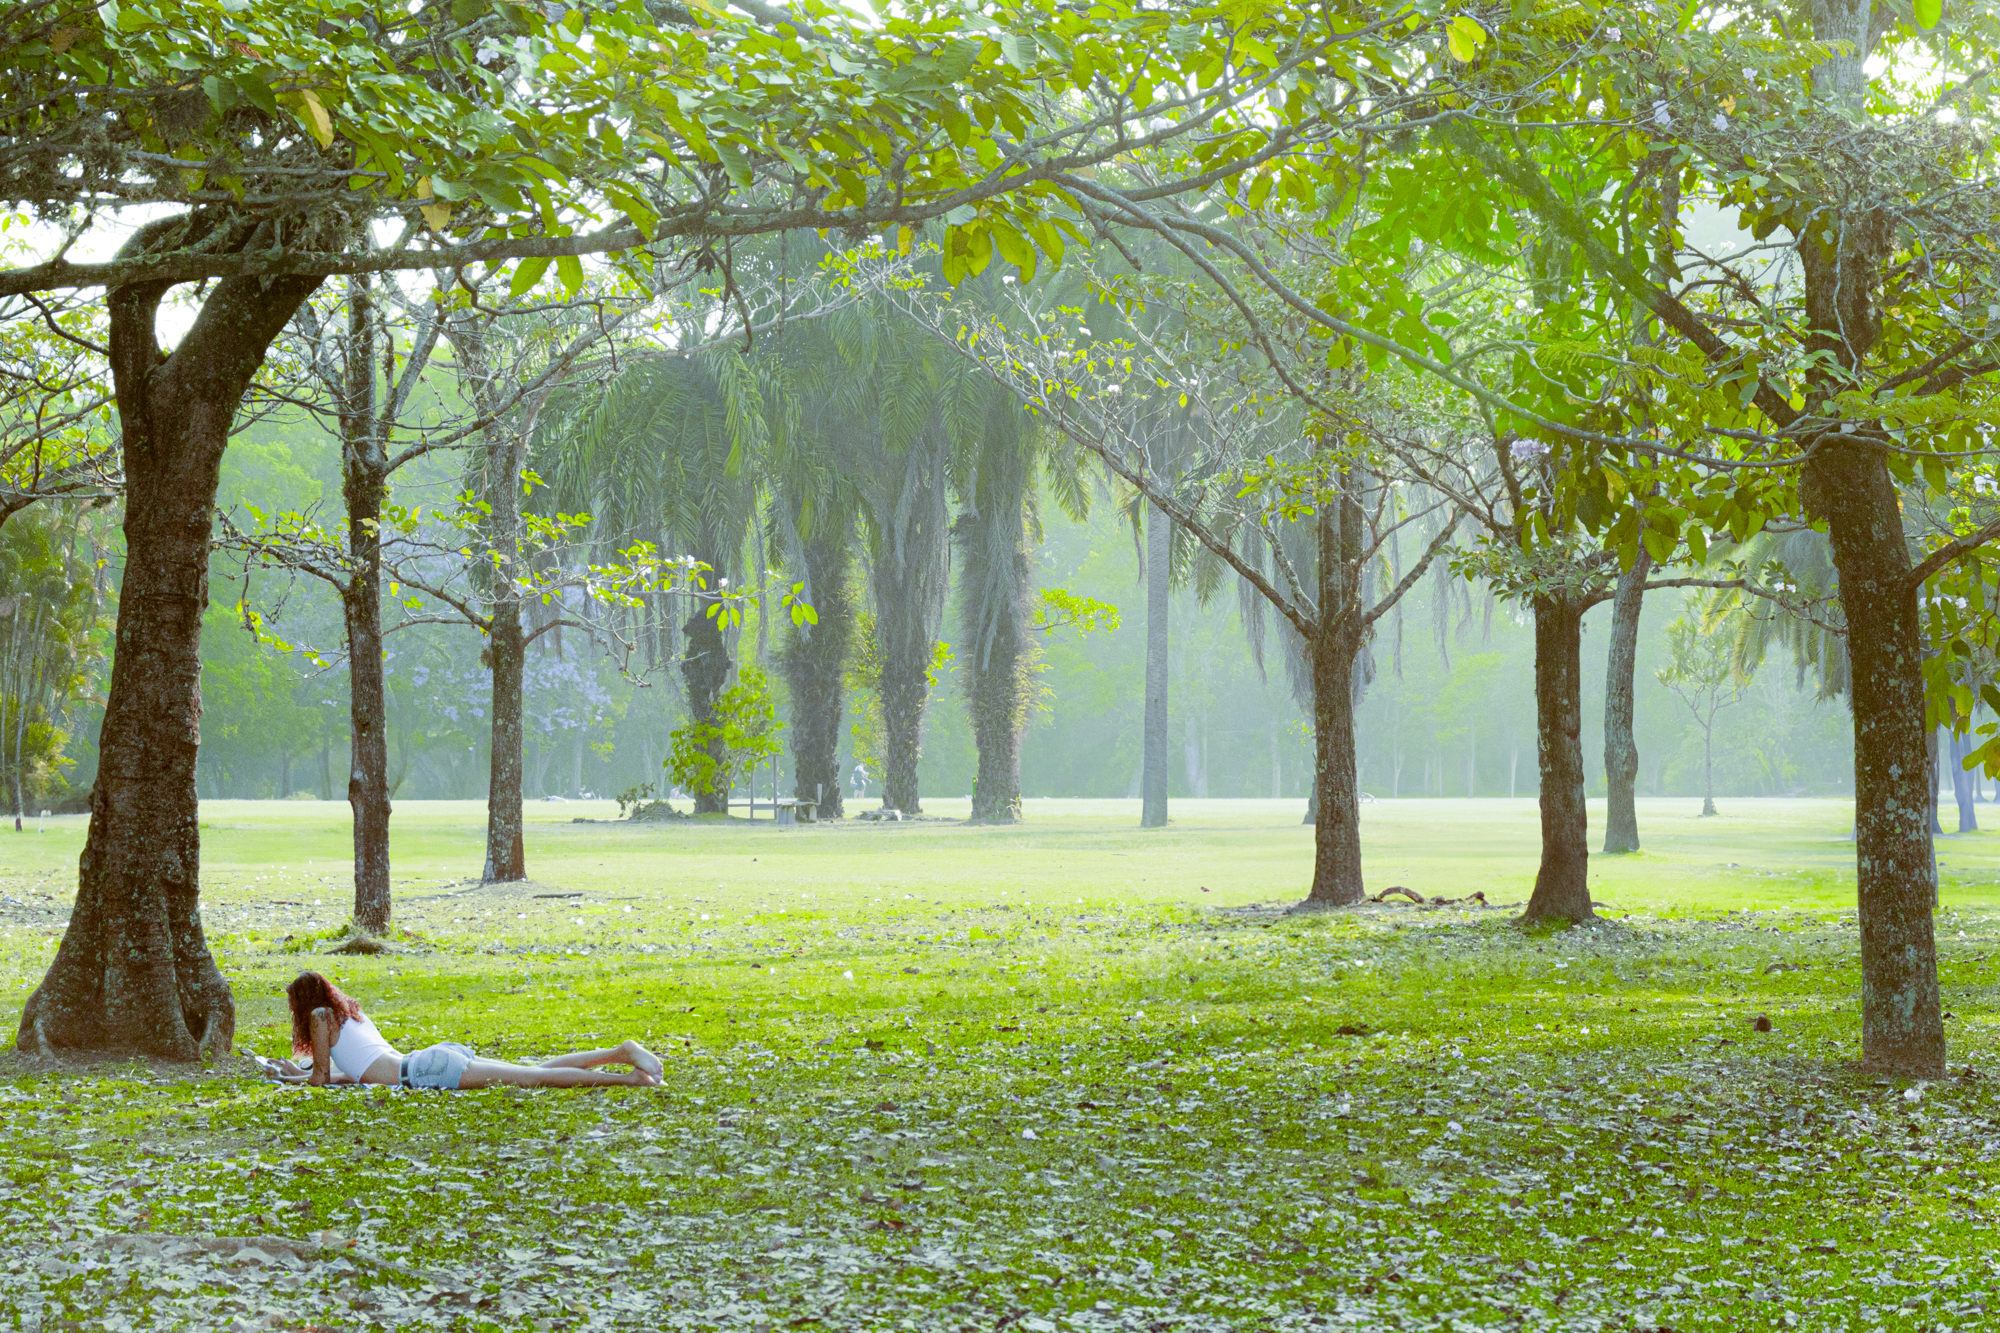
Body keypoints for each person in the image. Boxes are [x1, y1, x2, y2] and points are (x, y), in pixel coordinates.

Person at [277, 971, 663, 1090]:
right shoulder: (347, 1015)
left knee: (534, 1079)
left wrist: (297, 1079)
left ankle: (628, 1077)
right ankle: (620, 1053)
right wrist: (298, 1074)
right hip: (429, 1061)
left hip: (427, 1070)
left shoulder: (321, 1018)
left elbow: (323, 1080)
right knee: (533, 1071)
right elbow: (355, 1074)